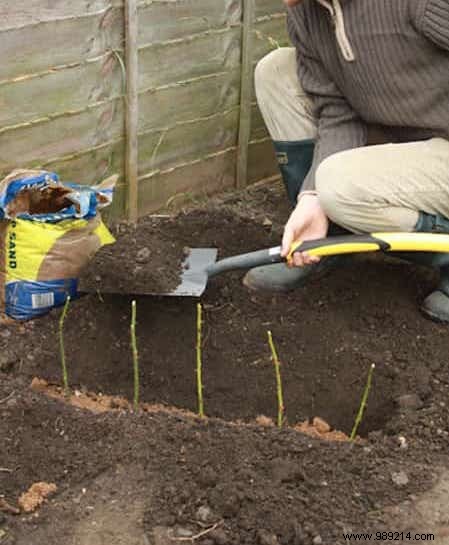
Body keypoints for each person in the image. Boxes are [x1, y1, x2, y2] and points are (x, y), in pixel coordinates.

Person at [243, 0, 449, 322]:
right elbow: (337, 111)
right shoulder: (305, 14)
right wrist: (311, 198)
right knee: (276, 72)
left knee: (338, 183)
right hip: (399, 140)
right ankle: (327, 241)